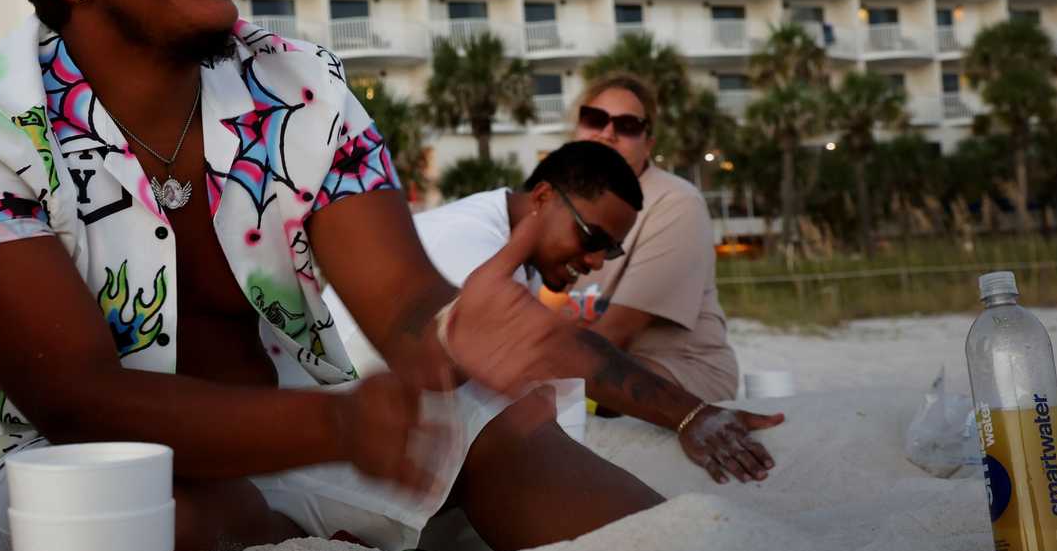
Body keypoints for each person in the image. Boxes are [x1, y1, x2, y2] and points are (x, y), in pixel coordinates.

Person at [0, 0, 663, 551]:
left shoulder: (300, 87)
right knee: (149, 510)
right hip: (55, 473)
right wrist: (339, 424)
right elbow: (77, 401)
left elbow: (402, 302)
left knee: (489, 426)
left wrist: (451, 333)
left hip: (298, 449)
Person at [325, 142, 783, 484]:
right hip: (342, 468)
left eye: (610, 250)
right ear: (542, 198)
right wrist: (691, 415)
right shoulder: (467, 242)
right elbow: (556, 349)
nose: (594, 262)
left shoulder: (504, 244)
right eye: (590, 237)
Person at [564, 75, 744, 405]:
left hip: (677, 370)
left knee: (548, 394)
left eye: (628, 125)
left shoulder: (676, 202)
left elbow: (618, 332)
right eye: (595, 119)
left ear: (648, 143)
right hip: (601, 363)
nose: (607, 133)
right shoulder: (562, 202)